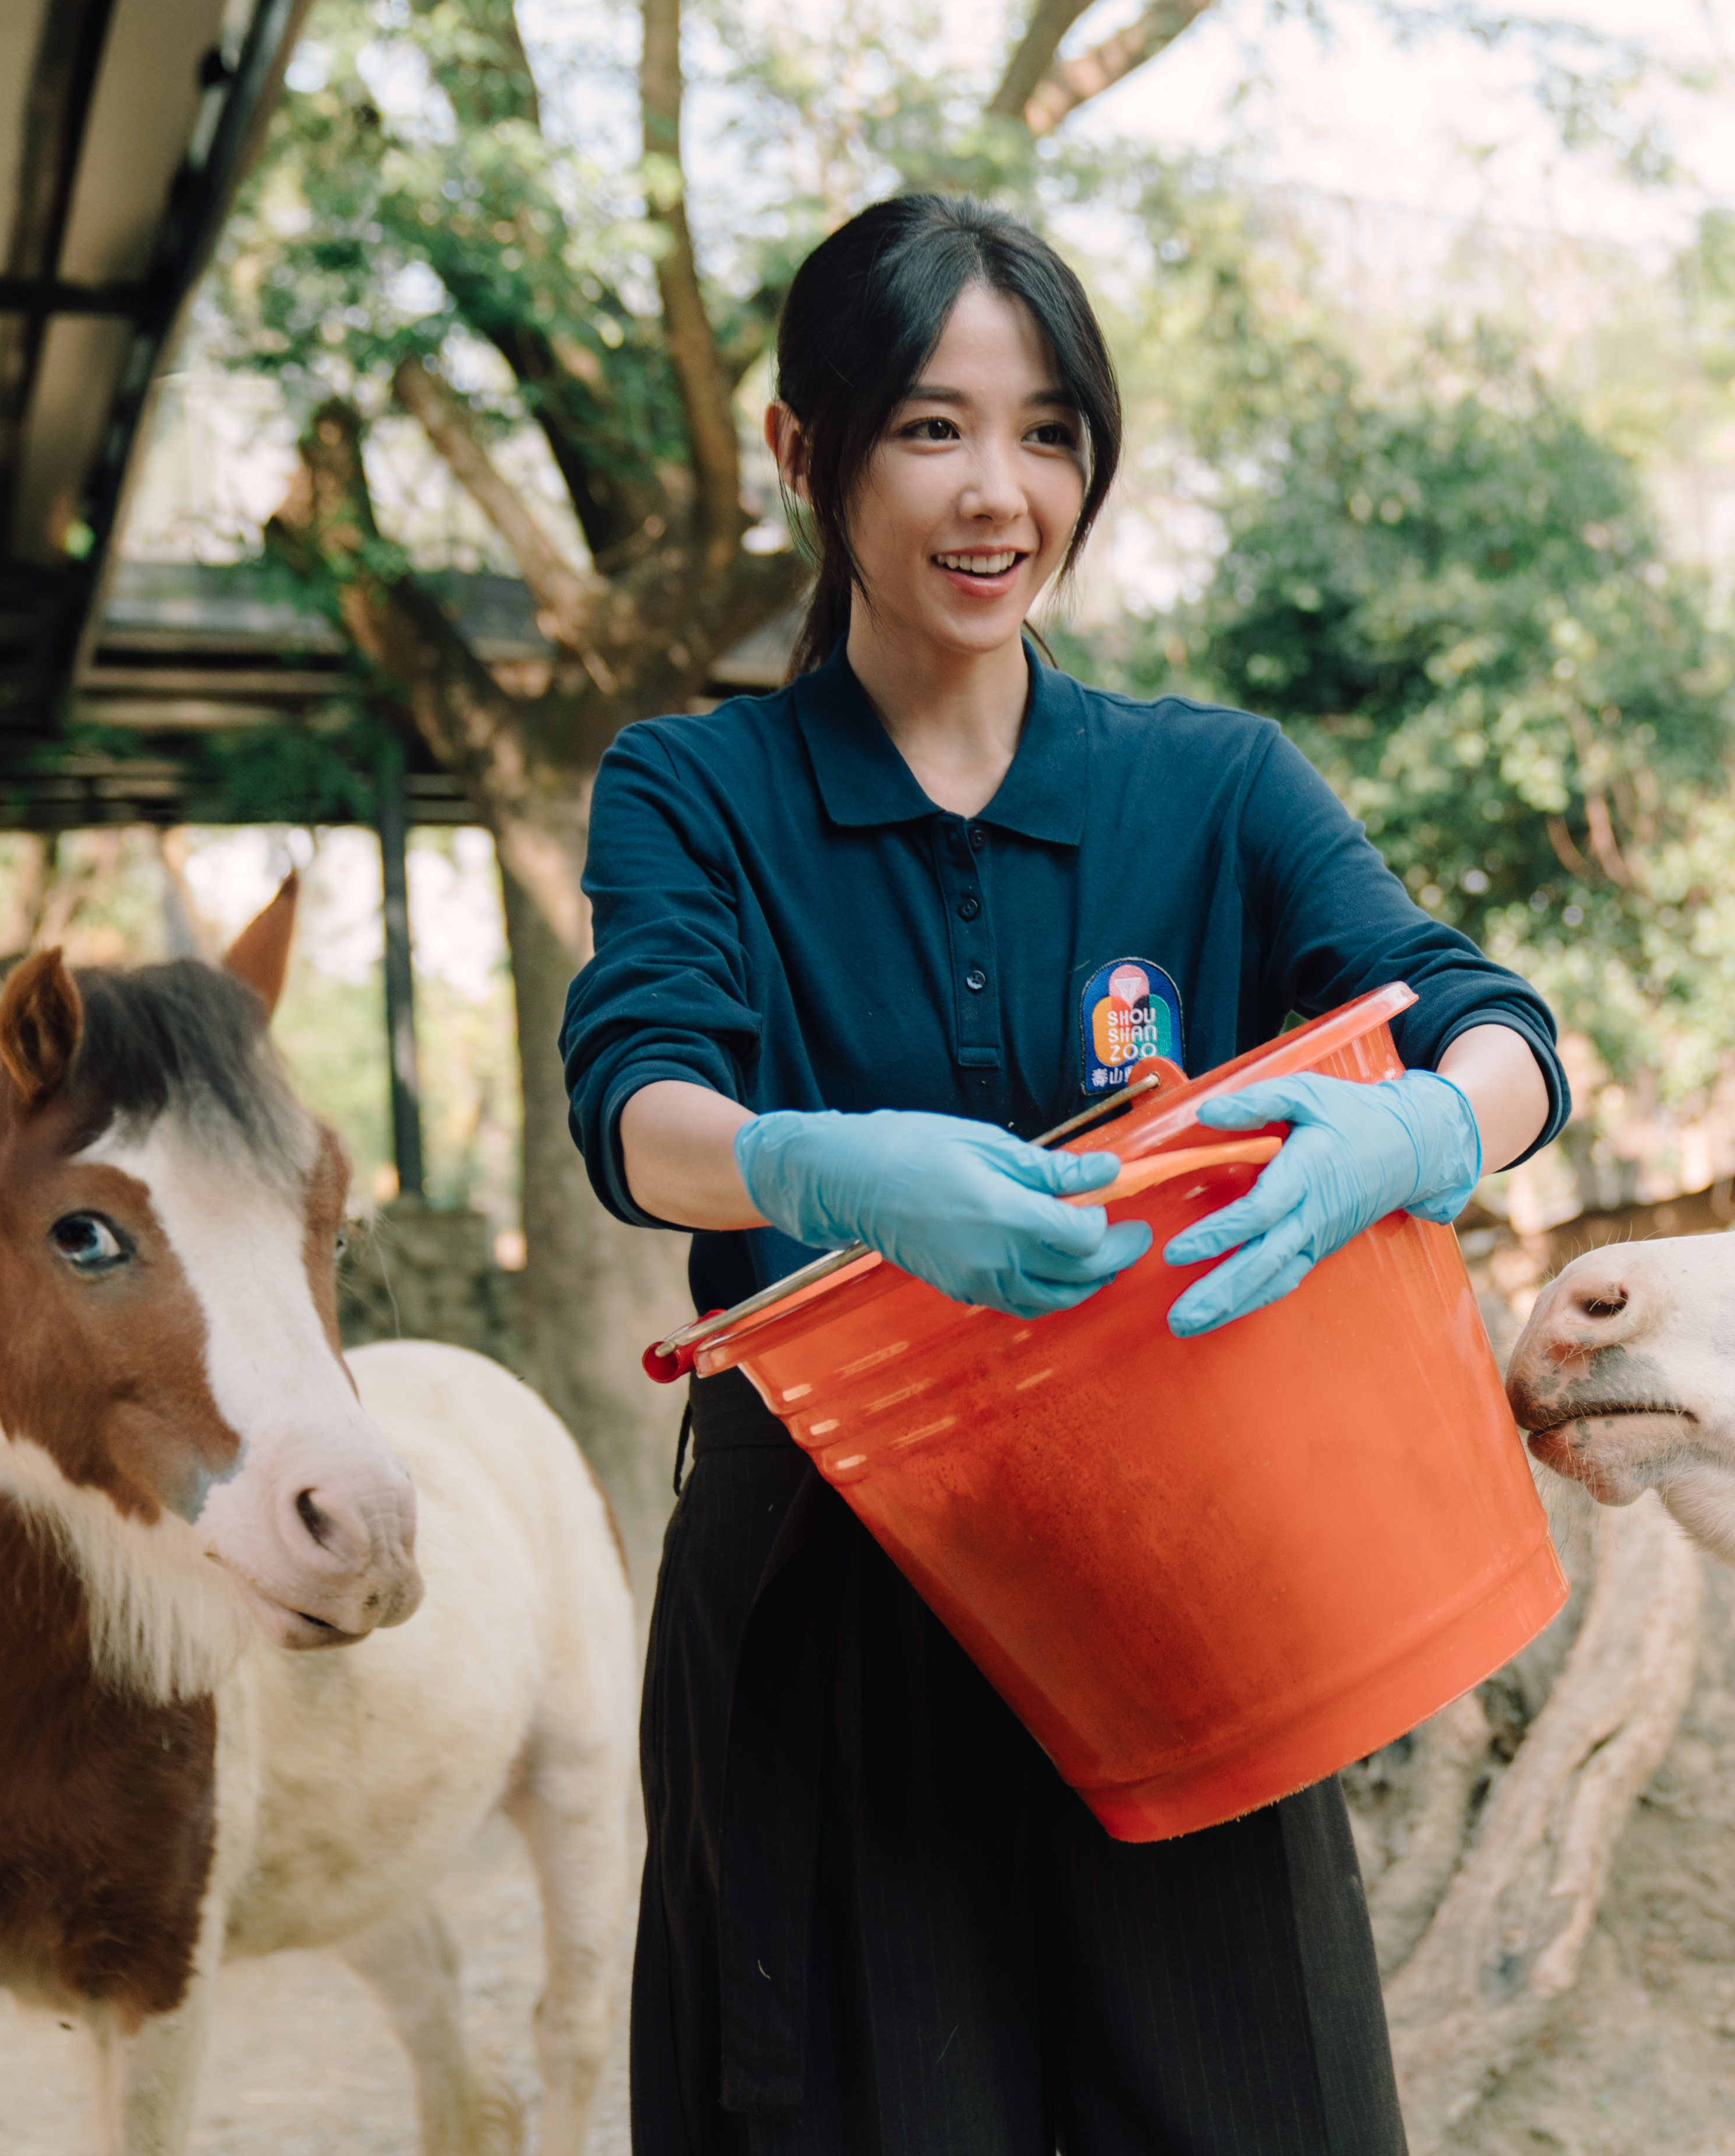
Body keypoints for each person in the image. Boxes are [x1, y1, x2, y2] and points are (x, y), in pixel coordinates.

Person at [560, 192, 1568, 2155]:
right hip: (831, 1618)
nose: (994, 492)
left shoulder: (1211, 787)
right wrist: (806, 1164)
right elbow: (634, 1109)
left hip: (1200, 1607)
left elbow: (1494, 1022)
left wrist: (1433, 1125)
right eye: (930, 426)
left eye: (1047, 434)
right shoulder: (694, 791)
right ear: (803, 451)